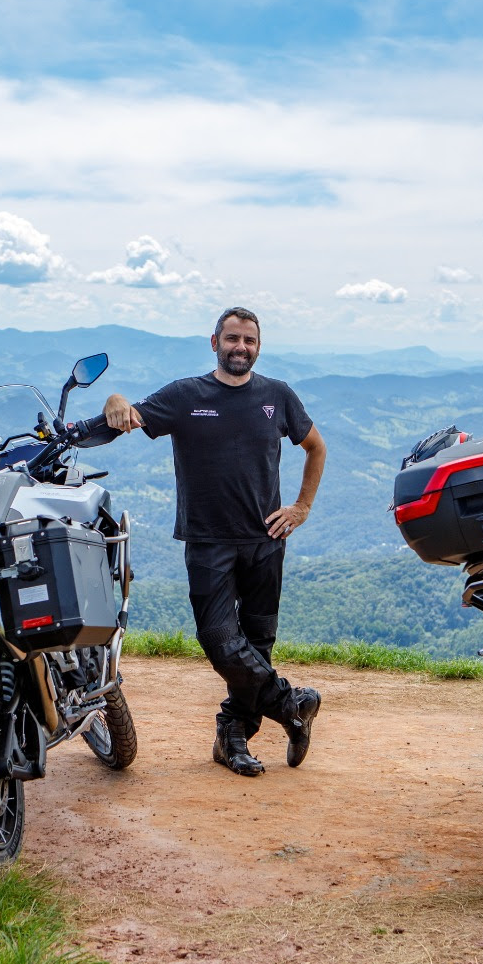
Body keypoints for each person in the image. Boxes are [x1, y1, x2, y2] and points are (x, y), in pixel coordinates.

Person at [103, 306, 327, 777]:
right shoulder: (187, 395)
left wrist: (301, 508)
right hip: (208, 542)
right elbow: (129, 417)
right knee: (220, 639)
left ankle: (233, 737)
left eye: (248, 340)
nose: (240, 347)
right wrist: (114, 398)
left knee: (257, 643)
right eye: (232, 339)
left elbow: (315, 447)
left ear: (258, 347)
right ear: (214, 342)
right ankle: (292, 704)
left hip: (267, 540)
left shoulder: (277, 395)